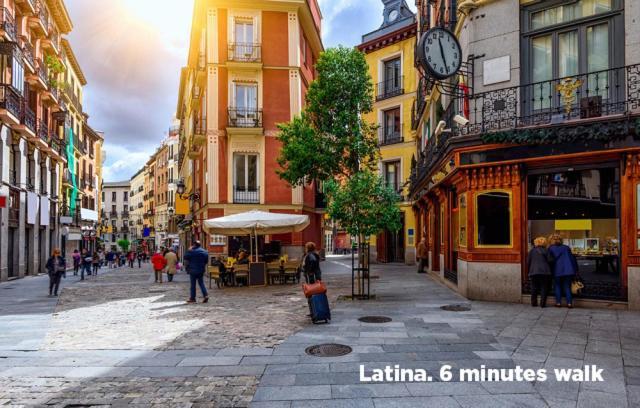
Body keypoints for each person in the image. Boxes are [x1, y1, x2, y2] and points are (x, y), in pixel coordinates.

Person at [548, 234, 579, 308]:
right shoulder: (566, 248)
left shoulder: (550, 248)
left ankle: (558, 303)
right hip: (568, 270)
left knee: (557, 286)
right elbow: (572, 259)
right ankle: (569, 303)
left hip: (556, 270)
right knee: (567, 287)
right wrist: (575, 270)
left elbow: (549, 260)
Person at [527, 237, 553, 308]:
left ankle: (534, 303)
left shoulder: (532, 251)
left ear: (536, 242)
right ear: (544, 242)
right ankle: (542, 304)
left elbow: (528, 262)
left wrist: (529, 271)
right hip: (544, 272)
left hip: (533, 271)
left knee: (534, 287)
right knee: (544, 287)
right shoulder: (546, 250)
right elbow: (550, 260)